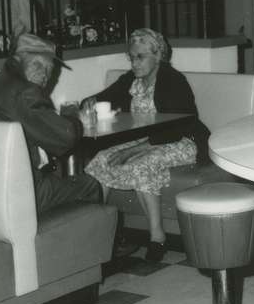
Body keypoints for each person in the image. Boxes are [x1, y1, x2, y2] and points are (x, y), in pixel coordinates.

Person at [83, 28, 210, 262]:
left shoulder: (173, 80)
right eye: (131, 57)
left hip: (182, 140)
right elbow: (105, 96)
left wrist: (131, 150)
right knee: (101, 158)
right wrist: (89, 102)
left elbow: (178, 127)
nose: (134, 63)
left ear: (158, 55)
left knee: (141, 165)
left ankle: (157, 237)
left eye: (140, 57)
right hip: (145, 140)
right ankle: (98, 234)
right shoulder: (132, 80)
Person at [0, 33, 101, 217]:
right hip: (21, 194)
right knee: (89, 185)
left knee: (57, 176)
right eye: (37, 64)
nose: (45, 75)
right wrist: (72, 115)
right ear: (16, 60)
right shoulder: (25, 92)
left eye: (50, 69)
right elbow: (66, 136)